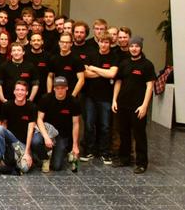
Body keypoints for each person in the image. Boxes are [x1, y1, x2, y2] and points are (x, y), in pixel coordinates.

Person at [112, 36, 155, 173]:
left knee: (139, 134)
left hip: (138, 106)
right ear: (129, 48)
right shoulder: (124, 63)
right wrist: (114, 100)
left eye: (136, 46)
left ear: (141, 47)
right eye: (131, 46)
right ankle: (124, 159)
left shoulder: (147, 65)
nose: (134, 48)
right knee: (123, 133)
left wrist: (144, 106)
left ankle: (142, 163)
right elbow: (118, 82)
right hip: (123, 104)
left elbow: (150, 86)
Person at [82, 32, 119, 164]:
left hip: (106, 97)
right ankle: (89, 151)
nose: (103, 44)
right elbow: (85, 74)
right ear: (98, 42)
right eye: (101, 42)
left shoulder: (114, 57)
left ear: (110, 43)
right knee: (89, 124)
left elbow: (113, 74)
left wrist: (93, 68)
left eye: (106, 42)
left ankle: (105, 152)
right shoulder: (91, 54)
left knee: (105, 126)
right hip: (90, 96)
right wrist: (104, 73)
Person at [37, 76, 81, 172]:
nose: (60, 90)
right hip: (47, 131)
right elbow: (39, 119)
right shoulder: (46, 99)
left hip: (62, 135)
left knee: (56, 166)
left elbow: (76, 124)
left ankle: (62, 152)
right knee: (35, 141)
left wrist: (75, 145)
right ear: (54, 88)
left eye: (62, 88)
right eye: (57, 88)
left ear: (67, 88)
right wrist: (46, 137)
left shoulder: (74, 102)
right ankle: (42, 158)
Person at [0, 81, 41, 173]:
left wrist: (27, 153)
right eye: (17, 90)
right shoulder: (7, 105)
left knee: (25, 168)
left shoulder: (32, 107)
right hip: (12, 140)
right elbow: (4, 126)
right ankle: (2, 160)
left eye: (22, 90)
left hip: (23, 144)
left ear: (27, 93)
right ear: (14, 92)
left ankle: (12, 166)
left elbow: (30, 130)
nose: (20, 92)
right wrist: (7, 146)